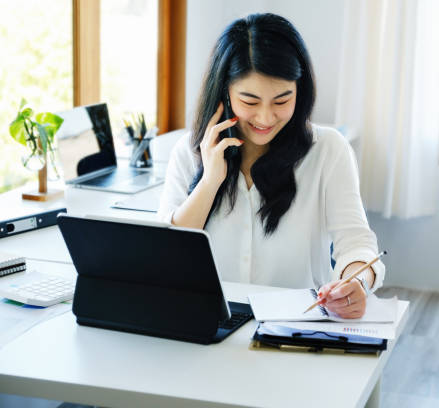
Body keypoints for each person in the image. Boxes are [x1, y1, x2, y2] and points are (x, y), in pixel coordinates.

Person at [158, 13, 385, 319]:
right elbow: (166, 256)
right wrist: (210, 183)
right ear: (225, 92)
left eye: (281, 100)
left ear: (299, 91)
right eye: (250, 101)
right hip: (208, 327)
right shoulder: (189, 152)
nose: (265, 118)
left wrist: (357, 282)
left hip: (296, 328)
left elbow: (357, 243)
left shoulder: (328, 150)